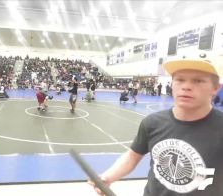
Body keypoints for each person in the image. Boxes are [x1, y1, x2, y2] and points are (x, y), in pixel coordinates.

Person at [91, 56, 223, 196]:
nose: (186, 86)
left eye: (198, 81)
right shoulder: (153, 122)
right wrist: (108, 177)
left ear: (216, 88)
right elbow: (132, 156)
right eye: (180, 79)